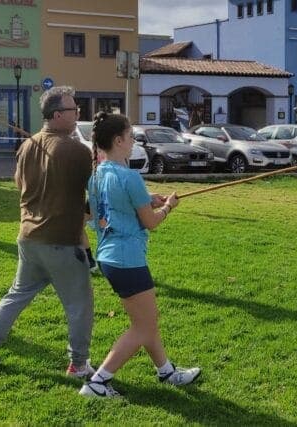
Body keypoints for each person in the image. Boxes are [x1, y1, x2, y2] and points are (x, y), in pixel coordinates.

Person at [0, 86, 96, 380]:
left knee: (16, 296)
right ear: (59, 114)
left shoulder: (28, 145)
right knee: (80, 304)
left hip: (28, 237)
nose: (78, 115)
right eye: (74, 110)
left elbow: (19, 184)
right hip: (60, 241)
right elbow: (99, 192)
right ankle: (78, 365)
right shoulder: (74, 149)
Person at [79, 112, 200, 398]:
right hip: (127, 259)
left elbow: (120, 205)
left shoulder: (97, 174)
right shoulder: (130, 177)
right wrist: (168, 206)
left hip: (110, 257)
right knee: (144, 325)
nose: (134, 141)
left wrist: (149, 198)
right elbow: (151, 222)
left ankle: (166, 371)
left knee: (146, 321)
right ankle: (98, 382)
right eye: (131, 136)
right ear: (119, 140)